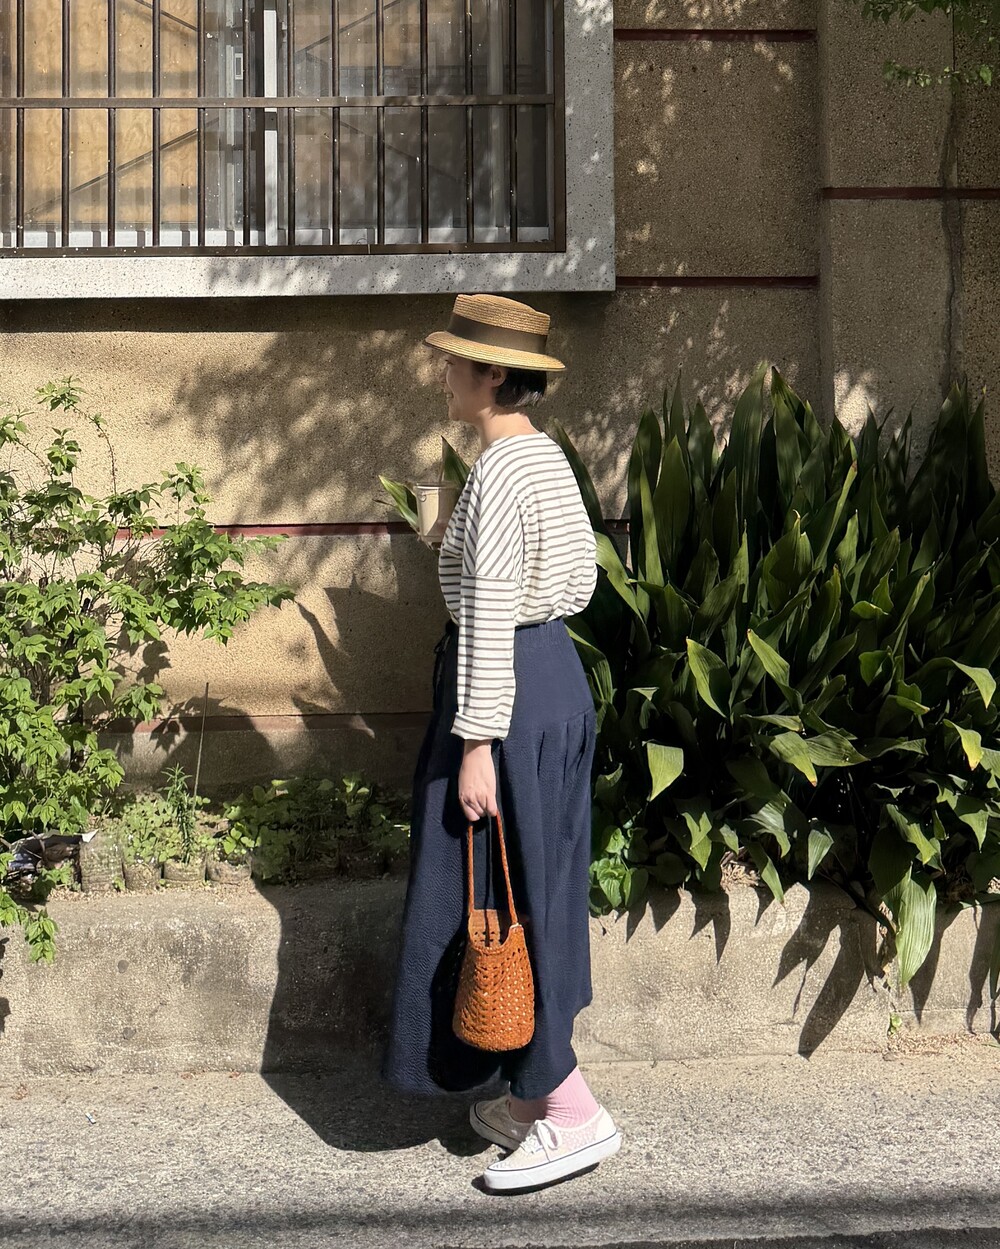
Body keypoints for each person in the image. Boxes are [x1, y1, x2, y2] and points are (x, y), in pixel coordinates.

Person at [381, 293, 622, 1192]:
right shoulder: (543, 458)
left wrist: (477, 739)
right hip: (554, 678)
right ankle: (527, 1094)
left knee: (496, 895)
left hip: (505, 697)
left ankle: (569, 1107)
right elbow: (578, 578)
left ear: (489, 374)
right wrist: (465, 541)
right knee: (539, 890)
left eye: (454, 359)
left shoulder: (498, 473)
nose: (442, 372)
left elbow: (487, 612)